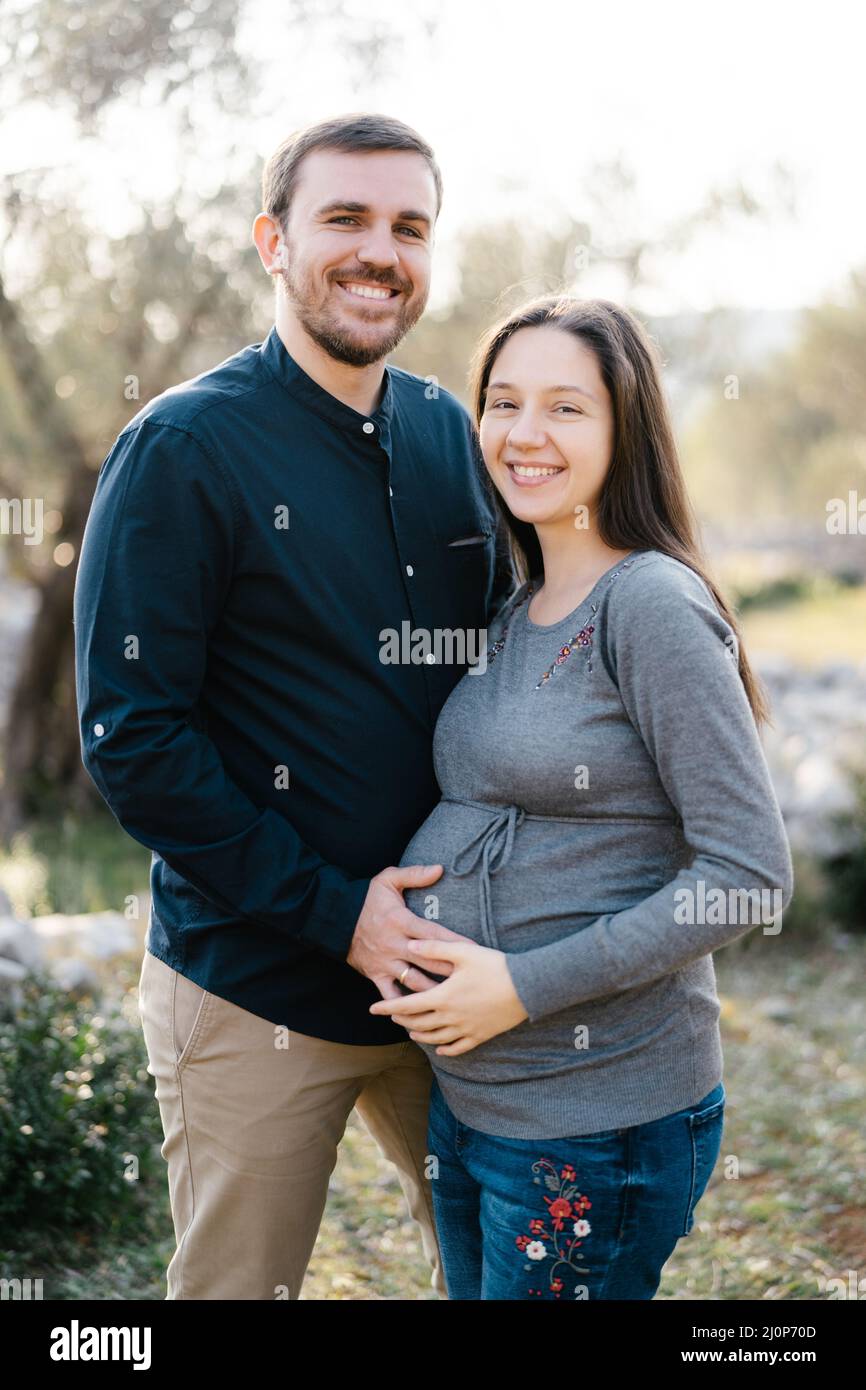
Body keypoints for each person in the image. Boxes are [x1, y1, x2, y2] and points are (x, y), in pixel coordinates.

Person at [73, 111, 511, 1300]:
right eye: (345, 220)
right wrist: (337, 915)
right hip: (254, 986)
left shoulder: (448, 435)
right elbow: (134, 739)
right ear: (273, 240)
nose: (380, 251)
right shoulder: (182, 447)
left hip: (450, 986)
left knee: (508, 1279)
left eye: (408, 227)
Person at [369, 295, 795, 1300]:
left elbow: (745, 876)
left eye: (565, 408)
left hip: (592, 1120)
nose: (524, 434)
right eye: (503, 401)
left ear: (623, 429)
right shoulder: (518, 604)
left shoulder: (646, 602)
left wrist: (520, 987)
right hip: (476, 1102)